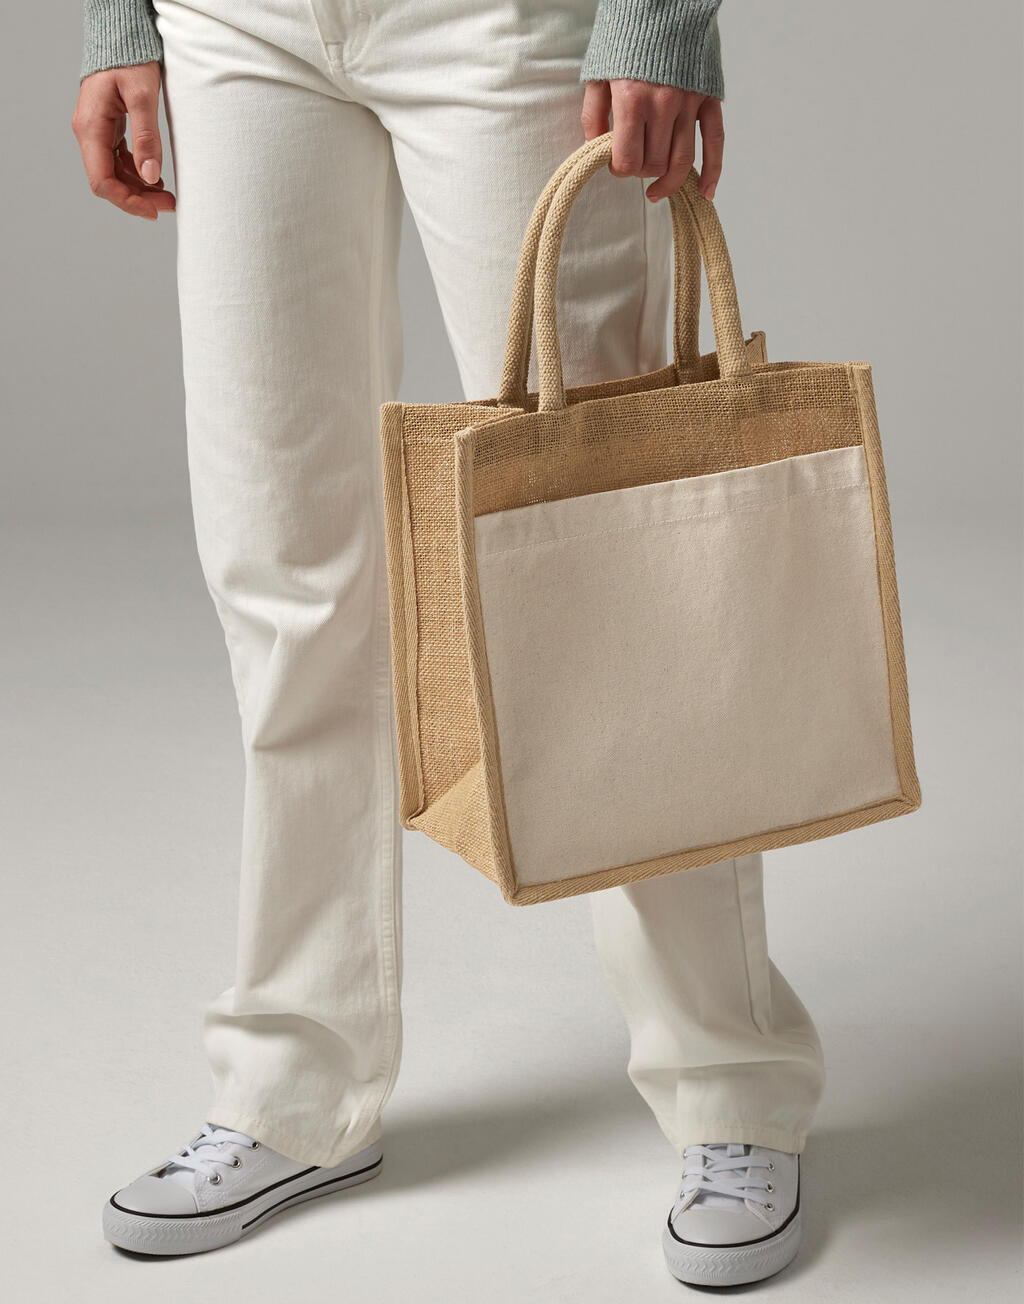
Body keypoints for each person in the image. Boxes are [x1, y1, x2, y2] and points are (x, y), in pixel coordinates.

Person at [73, 0, 825, 1286]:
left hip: (505, 21)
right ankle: (293, 1088)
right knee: (284, 576)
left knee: (607, 562)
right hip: (235, 27)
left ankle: (732, 1088)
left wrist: (656, 17)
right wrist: (112, 20)